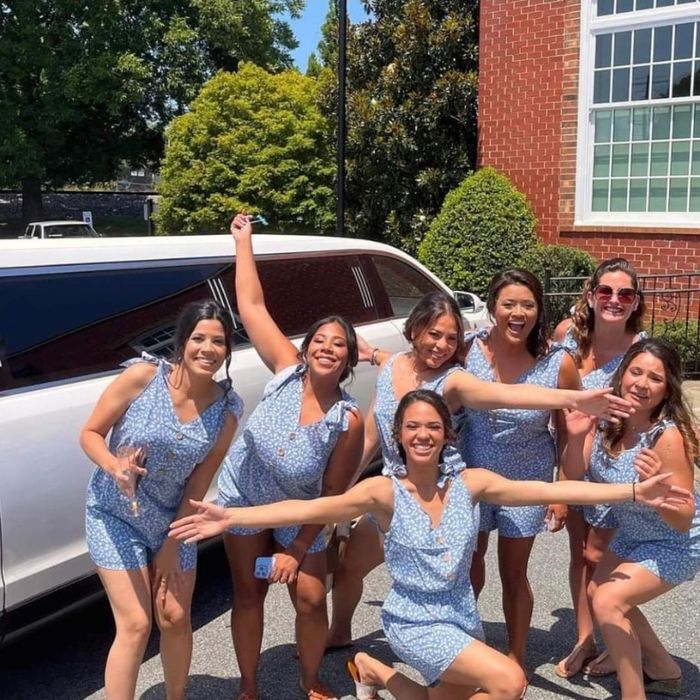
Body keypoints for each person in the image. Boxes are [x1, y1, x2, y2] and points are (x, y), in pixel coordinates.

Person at [170, 389, 691, 700]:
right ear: (399, 434)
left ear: (447, 435)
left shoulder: (472, 484)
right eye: (413, 427)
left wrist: (633, 490)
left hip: (460, 616)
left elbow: (554, 488)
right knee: (509, 682)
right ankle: (383, 664)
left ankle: (372, 672)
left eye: (434, 427)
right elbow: (308, 510)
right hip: (415, 621)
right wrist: (231, 515)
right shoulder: (382, 493)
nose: (423, 434)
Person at [327, 289, 633, 652]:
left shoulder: (454, 380)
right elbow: (371, 434)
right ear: (415, 331)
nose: (441, 345)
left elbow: (510, 395)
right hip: (394, 489)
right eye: (434, 334)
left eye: (451, 338)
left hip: (440, 494)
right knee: (349, 566)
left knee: (455, 577)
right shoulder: (393, 367)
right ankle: (340, 630)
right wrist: (340, 493)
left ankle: (461, 648)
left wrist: (574, 398)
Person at [217, 213, 364, 700]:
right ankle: (249, 686)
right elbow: (252, 306)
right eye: (319, 340)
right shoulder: (283, 372)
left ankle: (310, 679)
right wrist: (244, 242)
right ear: (305, 349)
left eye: (338, 344)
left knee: (309, 595)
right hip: (245, 497)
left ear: (348, 360)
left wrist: (296, 549)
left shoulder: (346, 420)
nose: (327, 348)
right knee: (248, 592)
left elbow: (331, 495)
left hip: (301, 510)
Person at [80, 300, 243, 700]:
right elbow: (91, 433)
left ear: (227, 350)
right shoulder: (143, 378)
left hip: (174, 518)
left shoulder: (226, 411)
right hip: (113, 513)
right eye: (199, 338)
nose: (208, 348)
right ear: (183, 342)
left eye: (218, 341)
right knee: (136, 623)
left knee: (173, 616)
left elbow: (201, 480)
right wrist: (114, 467)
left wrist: (172, 543)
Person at [459, 270, 580, 670]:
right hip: (471, 473)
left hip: (526, 477)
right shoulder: (468, 350)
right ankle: (460, 643)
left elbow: (570, 431)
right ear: (492, 306)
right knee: (466, 563)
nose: (518, 313)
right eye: (509, 303)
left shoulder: (557, 361)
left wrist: (561, 492)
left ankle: (516, 655)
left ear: (538, 309)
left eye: (527, 304)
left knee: (514, 572)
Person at [568, 338, 700, 699]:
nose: (642, 384)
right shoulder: (608, 417)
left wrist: (654, 494)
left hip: (676, 541)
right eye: (636, 372)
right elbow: (575, 471)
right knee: (599, 590)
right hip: (633, 531)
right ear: (622, 373)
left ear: (667, 387)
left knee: (609, 600)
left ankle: (633, 694)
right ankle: (661, 666)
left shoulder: (667, 438)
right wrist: (575, 437)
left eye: (655, 378)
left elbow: (684, 519)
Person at [552, 257, 647, 678]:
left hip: (615, 467)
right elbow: (556, 407)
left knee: (601, 558)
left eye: (624, 294)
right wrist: (560, 475)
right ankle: (585, 639)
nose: (614, 300)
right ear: (590, 295)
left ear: (635, 302)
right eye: (605, 291)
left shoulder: (642, 349)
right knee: (579, 554)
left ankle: (617, 642)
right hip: (574, 460)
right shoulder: (566, 339)